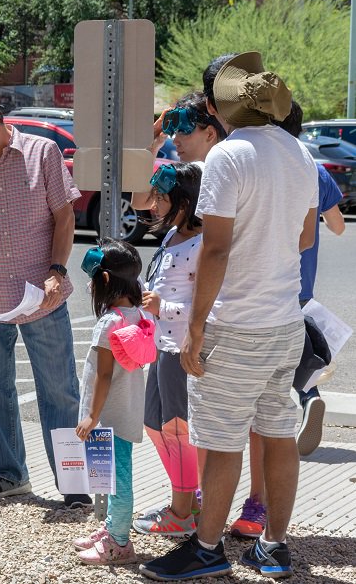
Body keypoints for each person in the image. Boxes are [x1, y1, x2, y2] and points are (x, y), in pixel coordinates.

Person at [140, 51, 318, 581]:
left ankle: (208, 548)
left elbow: (214, 251)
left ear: (221, 110)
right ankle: (275, 546)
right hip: (285, 319)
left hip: (234, 322)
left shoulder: (229, 156)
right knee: (277, 433)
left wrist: (195, 329)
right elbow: (306, 236)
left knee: (219, 442)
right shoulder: (298, 153)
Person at [0, 84, 89, 507]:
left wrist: (57, 272)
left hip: (42, 297)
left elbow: (65, 218)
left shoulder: (42, 153)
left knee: (59, 391)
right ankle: (10, 474)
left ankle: (74, 485)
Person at [131, 163, 205, 539]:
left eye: (163, 197)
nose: (155, 204)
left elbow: (210, 304)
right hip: (162, 343)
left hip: (182, 347)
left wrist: (164, 308)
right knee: (154, 424)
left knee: (177, 428)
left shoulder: (204, 242)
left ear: (186, 201)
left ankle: (183, 511)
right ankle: (187, 500)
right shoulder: (173, 234)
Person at [274, 101, 346, 457]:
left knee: (265, 355)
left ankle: (298, 405)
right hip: (302, 283)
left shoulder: (269, 163)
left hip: (266, 276)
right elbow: (338, 226)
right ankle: (308, 397)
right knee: (293, 349)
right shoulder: (314, 169)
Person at [72, 238, 149, 566]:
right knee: (113, 476)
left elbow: (103, 376)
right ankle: (111, 528)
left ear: (104, 281)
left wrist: (91, 415)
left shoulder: (109, 323)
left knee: (117, 480)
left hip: (108, 415)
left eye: (93, 279)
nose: (89, 286)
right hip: (123, 410)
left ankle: (119, 544)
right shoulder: (135, 313)